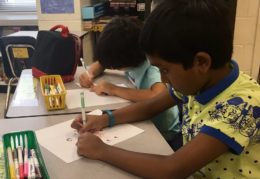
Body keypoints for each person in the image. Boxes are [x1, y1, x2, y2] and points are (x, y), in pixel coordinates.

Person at [71, 0, 260, 178]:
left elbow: (171, 170)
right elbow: (150, 107)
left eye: (165, 70)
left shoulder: (241, 107)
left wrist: (102, 150)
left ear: (201, 62)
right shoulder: (200, 81)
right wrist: (105, 119)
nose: (162, 78)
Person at [79, 16, 181, 149]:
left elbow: (157, 96)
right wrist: (90, 73)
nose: (112, 67)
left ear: (125, 62)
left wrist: (114, 89)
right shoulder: (131, 57)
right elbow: (103, 63)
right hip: (144, 121)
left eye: (115, 66)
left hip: (163, 134)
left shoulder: (152, 68)